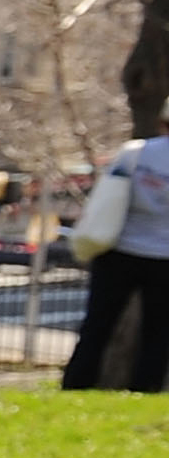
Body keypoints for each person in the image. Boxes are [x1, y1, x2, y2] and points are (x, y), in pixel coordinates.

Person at [64, 131, 169, 392]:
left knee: (97, 325)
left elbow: (109, 193)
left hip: (119, 250)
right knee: (158, 333)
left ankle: (77, 385)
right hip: (164, 258)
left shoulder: (136, 152)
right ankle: (146, 389)